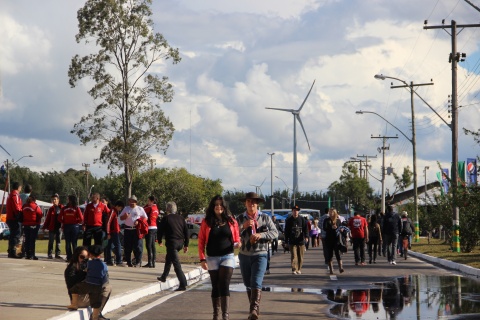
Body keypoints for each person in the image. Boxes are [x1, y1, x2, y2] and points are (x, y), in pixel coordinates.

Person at [236, 192, 278, 320]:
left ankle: (253, 309)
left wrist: (261, 235)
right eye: (249, 201)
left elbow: (275, 233)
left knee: (256, 282)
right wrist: (243, 226)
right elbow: (232, 233)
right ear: (245, 203)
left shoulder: (265, 217)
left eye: (254, 202)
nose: (251, 204)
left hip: (260, 254)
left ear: (257, 204)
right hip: (244, 255)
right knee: (248, 283)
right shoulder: (239, 218)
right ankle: (254, 310)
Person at [198, 195, 240, 320]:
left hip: (227, 255)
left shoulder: (232, 221)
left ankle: (225, 315)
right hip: (212, 258)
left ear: (224, 206)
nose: (218, 207)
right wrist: (202, 258)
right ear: (212, 207)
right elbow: (201, 240)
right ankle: (216, 315)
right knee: (215, 285)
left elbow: (236, 239)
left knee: (224, 283)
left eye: (220, 204)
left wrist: (239, 243)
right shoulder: (207, 222)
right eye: (216, 205)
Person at [64, 246, 111, 320]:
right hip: (79, 298)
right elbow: (71, 283)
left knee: (106, 287)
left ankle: (97, 314)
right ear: (77, 256)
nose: (84, 260)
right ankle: (96, 315)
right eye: (82, 257)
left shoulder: (89, 265)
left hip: (87, 294)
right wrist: (84, 273)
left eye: (86, 258)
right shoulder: (71, 268)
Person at [157, 201, 189, 291]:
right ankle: (164, 276)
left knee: (176, 264)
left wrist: (159, 240)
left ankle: (183, 283)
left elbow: (160, 231)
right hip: (180, 243)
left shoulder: (166, 218)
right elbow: (186, 232)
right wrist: (186, 245)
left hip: (172, 243)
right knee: (169, 258)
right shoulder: (181, 218)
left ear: (167, 209)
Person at [119, 195, 148, 267]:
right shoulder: (126, 208)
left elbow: (145, 218)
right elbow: (120, 218)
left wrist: (139, 221)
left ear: (136, 202)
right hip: (128, 229)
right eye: (130, 201)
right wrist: (124, 217)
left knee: (138, 246)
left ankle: (138, 261)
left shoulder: (140, 209)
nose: (131, 203)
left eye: (133, 201)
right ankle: (129, 262)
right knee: (128, 246)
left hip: (136, 230)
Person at [284, 205, 308, 275]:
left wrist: (306, 236)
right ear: (292, 211)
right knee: (294, 255)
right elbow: (286, 231)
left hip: (301, 241)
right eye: (294, 210)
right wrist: (286, 241)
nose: (295, 212)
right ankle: (294, 269)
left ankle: (299, 269)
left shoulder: (302, 219)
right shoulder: (289, 220)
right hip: (292, 241)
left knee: (300, 256)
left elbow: (305, 229)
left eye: (297, 210)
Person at [59, 195, 84, 261]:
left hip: (67, 226)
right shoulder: (76, 208)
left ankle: (69, 257)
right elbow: (81, 218)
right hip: (75, 226)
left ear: (70, 200)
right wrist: (76, 222)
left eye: (68, 199)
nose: (67, 200)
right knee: (74, 242)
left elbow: (59, 218)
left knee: (67, 242)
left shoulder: (64, 208)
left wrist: (64, 221)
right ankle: (75, 258)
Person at [43, 193, 64, 259]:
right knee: (51, 241)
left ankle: (57, 254)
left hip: (59, 228)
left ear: (58, 200)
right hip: (52, 227)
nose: (54, 201)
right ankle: (49, 254)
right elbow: (47, 218)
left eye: (55, 199)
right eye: (53, 199)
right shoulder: (51, 209)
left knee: (58, 241)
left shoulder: (62, 208)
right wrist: (44, 226)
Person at [323, 208, 344, 275]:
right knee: (330, 255)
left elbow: (341, 227)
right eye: (330, 212)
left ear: (335, 213)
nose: (330, 213)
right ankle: (331, 269)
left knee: (338, 253)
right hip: (329, 239)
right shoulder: (326, 220)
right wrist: (331, 227)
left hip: (337, 239)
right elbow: (324, 228)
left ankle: (340, 267)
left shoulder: (338, 220)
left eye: (332, 212)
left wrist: (341, 229)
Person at [22, 195, 43, 260]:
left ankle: (27, 254)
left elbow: (21, 213)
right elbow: (40, 214)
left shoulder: (24, 206)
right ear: (34, 200)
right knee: (32, 240)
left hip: (25, 225)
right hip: (33, 225)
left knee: (27, 240)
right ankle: (32, 255)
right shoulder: (35, 206)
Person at [104, 200, 124, 267]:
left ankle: (109, 260)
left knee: (109, 246)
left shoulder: (116, 211)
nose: (120, 209)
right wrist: (108, 233)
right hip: (113, 231)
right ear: (117, 206)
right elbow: (108, 222)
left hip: (115, 231)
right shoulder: (113, 211)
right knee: (117, 245)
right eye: (120, 208)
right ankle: (119, 261)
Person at [6, 181, 23, 258]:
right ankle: (13, 251)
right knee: (16, 235)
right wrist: (20, 215)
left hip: (10, 217)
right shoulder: (15, 195)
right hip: (14, 218)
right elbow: (17, 208)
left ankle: (11, 250)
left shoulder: (10, 195)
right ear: (19, 187)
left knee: (12, 235)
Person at [143, 196, 159, 268]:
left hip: (149, 227)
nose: (147, 202)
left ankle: (150, 262)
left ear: (152, 201)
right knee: (152, 245)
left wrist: (147, 205)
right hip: (155, 227)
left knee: (148, 245)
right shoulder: (156, 208)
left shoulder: (150, 208)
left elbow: (142, 210)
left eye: (148, 201)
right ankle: (153, 261)